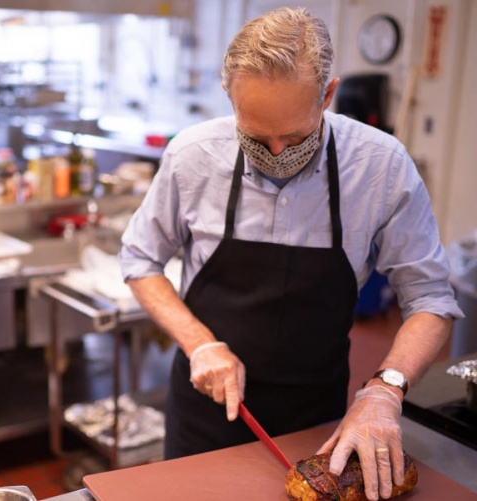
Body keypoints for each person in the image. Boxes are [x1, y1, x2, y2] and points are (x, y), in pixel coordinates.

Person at [119, 7, 463, 501]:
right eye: (257, 137)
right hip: (204, 411)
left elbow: (431, 299)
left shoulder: (381, 167)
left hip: (319, 420)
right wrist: (198, 342)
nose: (278, 153)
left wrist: (386, 389)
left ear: (328, 94)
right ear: (229, 95)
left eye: (296, 136)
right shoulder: (192, 156)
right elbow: (139, 261)